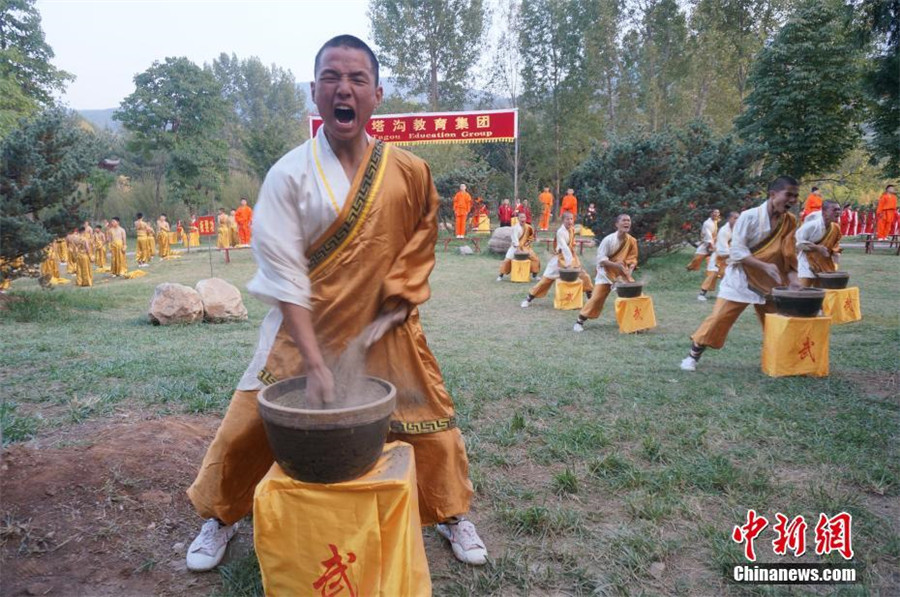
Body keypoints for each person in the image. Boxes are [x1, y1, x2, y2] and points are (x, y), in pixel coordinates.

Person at [185, 34, 487, 573]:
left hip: (388, 330)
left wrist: (403, 297)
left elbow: (421, 240)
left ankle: (449, 514)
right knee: (248, 429)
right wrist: (318, 362)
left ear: (376, 94)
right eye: (331, 77)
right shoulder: (289, 174)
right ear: (314, 92)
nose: (343, 88)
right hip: (303, 334)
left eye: (356, 79)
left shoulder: (409, 170)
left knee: (431, 427)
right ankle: (220, 518)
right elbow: (283, 274)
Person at [680, 176, 801, 372]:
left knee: (777, 322)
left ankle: (782, 361)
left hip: (771, 282)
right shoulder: (750, 217)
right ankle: (693, 355)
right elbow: (736, 251)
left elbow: (789, 254)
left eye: (795, 196)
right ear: (772, 194)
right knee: (719, 318)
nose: (793, 200)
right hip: (741, 278)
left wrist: (794, 281)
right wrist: (764, 266)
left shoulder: (790, 221)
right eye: (788, 195)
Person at [573, 214, 638, 332]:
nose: (626, 223)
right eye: (624, 220)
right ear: (617, 224)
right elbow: (601, 260)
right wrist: (615, 265)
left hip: (622, 274)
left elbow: (632, 258)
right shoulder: (608, 240)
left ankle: (636, 322)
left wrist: (630, 268)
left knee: (635, 295)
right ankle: (579, 321)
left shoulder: (632, 241)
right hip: (606, 273)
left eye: (628, 220)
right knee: (596, 298)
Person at [520, 211, 593, 308]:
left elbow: (571, 244)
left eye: (571, 219)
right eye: (567, 219)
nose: (570, 221)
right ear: (563, 220)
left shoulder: (571, 230)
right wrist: (568, 263)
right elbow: (564, 248)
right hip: (560, 259)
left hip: (571, 258)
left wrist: (579, 248)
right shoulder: (560, 232)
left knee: (584, 276)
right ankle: (528, 298)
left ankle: (589, 297)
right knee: (545, 281)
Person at [796, 201, 842, 287]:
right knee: (802, 291)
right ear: (824, 212)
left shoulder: (835, 228)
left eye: (839, 210)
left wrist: (836, 253)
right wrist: (817, 248)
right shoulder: (811, 226)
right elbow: (797, 242)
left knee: (821, 292)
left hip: (823, 264)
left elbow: (835, 245)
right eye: (834, 210)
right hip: (806, 263)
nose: (838, 212)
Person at [699, 211, 739, 301]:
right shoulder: (724, 231)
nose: (737, 220)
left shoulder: (738, 229)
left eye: (738, 218)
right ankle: (702, 293)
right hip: (720, 256)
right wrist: (733, 254)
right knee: (713, 274)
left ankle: (727, 294)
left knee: (728, 275)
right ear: (729, 219)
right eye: (735, 218)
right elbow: (722, 248)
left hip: (729, 256)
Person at [497, 209, 540, 281]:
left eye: (524, 217)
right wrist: (518, 249)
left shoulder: (529, 227)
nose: (523, 219)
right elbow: (514, 240)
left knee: (535, 259)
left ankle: (534, 276)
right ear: (518, 219)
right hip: (515, 247)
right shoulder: (515, 228)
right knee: (507, 260)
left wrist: (527, 244)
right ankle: (501, 275)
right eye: (521, 217)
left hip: (526, 247)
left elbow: (531, 237)